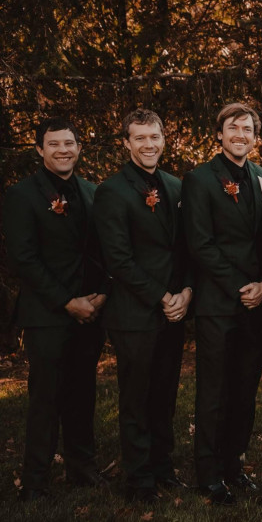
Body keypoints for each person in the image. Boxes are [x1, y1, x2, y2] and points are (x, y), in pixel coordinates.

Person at [4, 117, 108, 500]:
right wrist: (67, 302)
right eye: (54, 144)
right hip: (47, 314)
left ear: (79, 147)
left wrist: (100, 296)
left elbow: (101, 252)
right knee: (46, 398)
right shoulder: (22, 194)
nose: (63, 150)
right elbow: (24, 258)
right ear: (40, 150)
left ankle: (82, 469)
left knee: (83, 392)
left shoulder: (93, 191)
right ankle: (35, 480)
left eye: (69, 143)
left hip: (91, 312)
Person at [94, 109, 192, 503]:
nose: (149, 144)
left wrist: (186, 291)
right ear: (126, 143)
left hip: (174, 310)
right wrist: (162, 296)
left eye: (154, 136)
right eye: (140, 138)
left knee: (165, 394)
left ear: (163, 138)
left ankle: (163, 467)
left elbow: (185, 246)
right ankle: (138, 479)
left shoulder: (175, 185)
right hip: (135, 313)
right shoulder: (111, 191)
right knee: (136, 397)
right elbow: (117, 259)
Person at [182, 102, 262, 505]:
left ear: (256, 137)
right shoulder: (199, 179)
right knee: (214, 390)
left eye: (248, 128)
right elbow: (199, 243)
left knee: (245, 389)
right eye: (233, 128)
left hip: (258, 304)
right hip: (219, 303)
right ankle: (208, 471)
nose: (241, 134)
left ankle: (234, 465)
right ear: (219, 134)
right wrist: (242, 285)